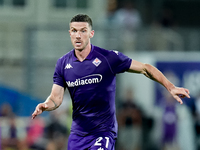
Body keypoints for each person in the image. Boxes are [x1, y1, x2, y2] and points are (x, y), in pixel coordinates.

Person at [32, 14, 190, 150]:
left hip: (103, 132)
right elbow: (56, 98)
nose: (78, 35)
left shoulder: (108, 58)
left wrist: (170, 87)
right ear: (70, 33)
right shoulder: (62, 63)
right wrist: (46, 105)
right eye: (74, 31)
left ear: (91, 33)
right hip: (77, 135)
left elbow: (145, 68)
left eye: (83, 31)